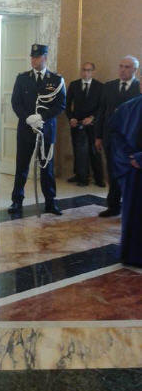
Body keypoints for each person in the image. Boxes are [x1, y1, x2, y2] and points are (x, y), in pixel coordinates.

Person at [8, 44, 66, 216]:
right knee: (22, 166)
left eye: (37, 57)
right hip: (26, 129)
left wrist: (42, 117)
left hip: (46, 130)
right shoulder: (22, 78)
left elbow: (61, 104)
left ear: (45, 58)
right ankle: (16, 201)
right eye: (32, 57)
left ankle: (50, 201)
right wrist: (27, 118)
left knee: (47, 167)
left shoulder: (55, 80)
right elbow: (16, 102)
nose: (33, 60)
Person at [95, 56, 141, 217]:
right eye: (121, 66)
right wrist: (98, 136)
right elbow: (101, 112)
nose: (122, 70)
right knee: (113, 173)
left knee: (131, 176)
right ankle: (113, 206)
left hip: (131, 140)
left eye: (127, 67)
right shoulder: (109, 86)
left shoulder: (138, 87)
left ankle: (130, 209)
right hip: (111, 139)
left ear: (135, 70)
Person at [108, 95, 142, 266]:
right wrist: (130, 158)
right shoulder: (127, 108)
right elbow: (115, 135)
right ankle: (132, 256)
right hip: (134, 171)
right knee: (133, 215)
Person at [65, 62, 105, 187]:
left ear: (93, 72)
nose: (86, 73)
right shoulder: (74, 85)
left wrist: (92, 118)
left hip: (93, 124)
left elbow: (102, 107)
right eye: (84, 70)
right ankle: (80, 176)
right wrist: (71, 118)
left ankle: (99, 178)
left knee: (94, 151)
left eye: (88, 70)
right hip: (77, 124)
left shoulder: (100, 86)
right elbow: (67, 105)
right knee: (78, 151)